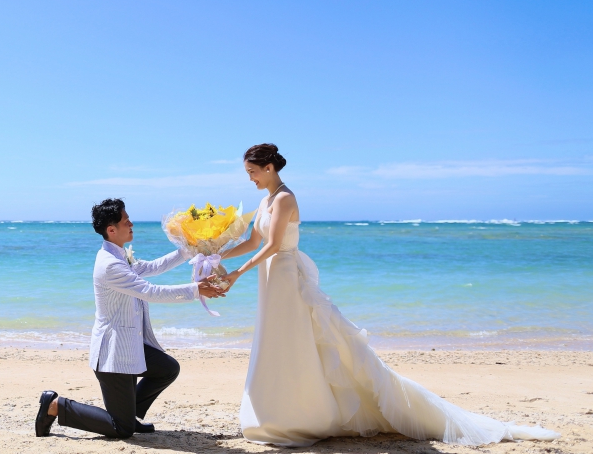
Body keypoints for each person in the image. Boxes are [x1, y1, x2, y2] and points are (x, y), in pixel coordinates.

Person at [220, 143, 560, 447]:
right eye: (247, 173)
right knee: (274, 340)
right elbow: (253, 242)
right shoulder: (265, 200)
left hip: (286, 279)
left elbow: (275, 245)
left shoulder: (284, 198)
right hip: (270, 280)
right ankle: (274, 412)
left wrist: (236, 275)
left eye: (252, 172)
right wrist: (214, 254)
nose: (250, 178)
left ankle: (299, 415)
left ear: (269, 168)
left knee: (293, 341)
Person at [34, 198, 226, 439]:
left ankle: (129, 412)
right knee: (121, 429)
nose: (132, 223)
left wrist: (191, 247)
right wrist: (196, 289)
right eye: (127, 221)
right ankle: (55, 406)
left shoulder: (120, 256)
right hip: (113, 355)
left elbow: (155, 266)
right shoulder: (110, 265)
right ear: (111, 230)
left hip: (130, 345)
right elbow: (150, 291)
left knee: (167, 368)